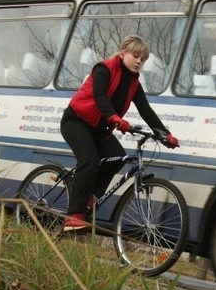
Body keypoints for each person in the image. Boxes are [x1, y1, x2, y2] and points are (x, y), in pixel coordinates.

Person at [60, 35, 179, 232]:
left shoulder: (134, 83)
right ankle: (73, 215)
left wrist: (165, 135)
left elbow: (146, 110)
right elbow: (99, 96)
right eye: (136, 56)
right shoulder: (104, 69)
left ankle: (89, 197)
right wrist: (114, 117)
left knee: (117, 158)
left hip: (99, 128)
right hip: (76, 121)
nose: (139, 61)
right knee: (89, 160)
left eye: (143, 59)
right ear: (123, 53)